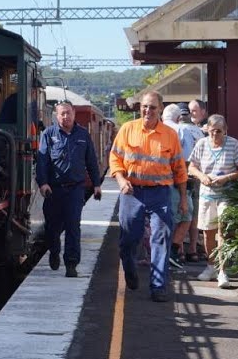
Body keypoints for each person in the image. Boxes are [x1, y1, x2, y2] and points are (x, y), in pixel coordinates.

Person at [108, 91, 189, 302]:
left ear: (160, 109)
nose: (147, 111)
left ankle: (158, 286)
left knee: (161, 238)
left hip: (160, 193)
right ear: (140, 108)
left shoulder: (170, 135)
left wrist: (182, 199)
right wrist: (121, 181)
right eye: (144, 106)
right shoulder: (127, 130)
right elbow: (115, 159)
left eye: (152, 107)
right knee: (129, 238)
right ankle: (129, 269)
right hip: (132, 192)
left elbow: (179, 169)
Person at [36, 102, 102, 277]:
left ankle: (71, 264)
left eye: (68, 113)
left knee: (73, 226)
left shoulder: (83, 135)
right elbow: (42, 161)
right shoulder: (48, 135)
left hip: (75, 189)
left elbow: (92, 161)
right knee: (52, 227)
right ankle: (54, 251)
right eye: (62, 114)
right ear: (56, 116)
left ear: (73, 114)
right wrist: (43, 183)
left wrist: (96, 184)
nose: (66, 116)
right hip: (54, 190)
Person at [188, 114, 238, 289]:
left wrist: (227, 178)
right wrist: (202, 176)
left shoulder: (233, 144)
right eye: (212, 131)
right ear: (207, 130)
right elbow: (191, 166)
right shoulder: (201, 144)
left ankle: (223, 270)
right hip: (207, 193)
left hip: (226, 194)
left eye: (219, 132)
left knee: (222, 230)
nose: (215, 135)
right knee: (207, 232)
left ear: (225, 131)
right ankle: (210, 266)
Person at [161, 104, 201, 273]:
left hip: (157, 183)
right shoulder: (181, 130)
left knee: (164, 220)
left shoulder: (158, 129)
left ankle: (167, 254)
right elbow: (183, 161)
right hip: (176, 183)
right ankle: (172, 252)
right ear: (178, 118)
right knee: (186, 216)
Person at [186, 99, 210, 262]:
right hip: (194, 176)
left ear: (203, 112)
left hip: (205, 178)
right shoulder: (189, 128)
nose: (191, 114)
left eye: (194, 111)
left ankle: (197, 246)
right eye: (190, 111)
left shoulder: (210, 128)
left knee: (198, 213)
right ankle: (194, 246)